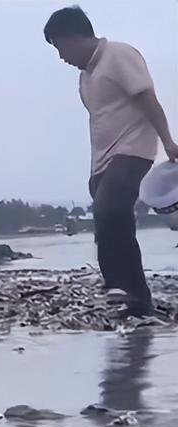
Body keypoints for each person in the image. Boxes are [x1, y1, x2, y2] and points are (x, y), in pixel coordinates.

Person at [44, 6, 178, 318]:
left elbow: (148, 99)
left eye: (60, 46)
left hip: (133, 150)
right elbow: (101, 122)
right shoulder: (85, 78)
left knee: (109, 211)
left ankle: (118, 286)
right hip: (104, 160)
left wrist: (168, 141)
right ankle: (137, 300)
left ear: (76, 36)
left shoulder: (118, 55)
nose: (61, 56)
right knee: (113, 222)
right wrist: (95, 170)